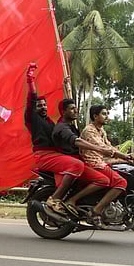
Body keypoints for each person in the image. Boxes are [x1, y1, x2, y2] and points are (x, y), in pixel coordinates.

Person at [24, 63, 86, 216]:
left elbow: (65, 117)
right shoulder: (33, 119)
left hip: (57, 157)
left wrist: (66, 86)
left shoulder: (51, 123)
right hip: (45, 155)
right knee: (77, 166)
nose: (43, 107)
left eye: (44, 105)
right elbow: (31, 99)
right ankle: (54, 200)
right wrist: (30, 79)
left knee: (77, 176)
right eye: (39, 106)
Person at [52, 99, 119, 218]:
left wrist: (123, 156)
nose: (76, 110)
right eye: (72, 108)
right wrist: (99, 149)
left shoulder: (72, 126)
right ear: (63, 112)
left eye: (76, 108)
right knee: (104, 180)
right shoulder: (63, 127)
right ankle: (72, 201)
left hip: (79, 161)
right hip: (73, 163)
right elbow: (77, 141)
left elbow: (107, 146)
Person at [79, 105, 133, 229]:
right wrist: (122, 156)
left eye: (107, 113)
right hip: (92, 163)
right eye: (104, 114)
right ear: (95, 116)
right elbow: (104, 149)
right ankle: (96, 211)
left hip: (101, 162)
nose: (106, 116)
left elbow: (110, 147)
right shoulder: (90, 130)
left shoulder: (101, 131)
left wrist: (126, 157)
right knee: (121, 182)